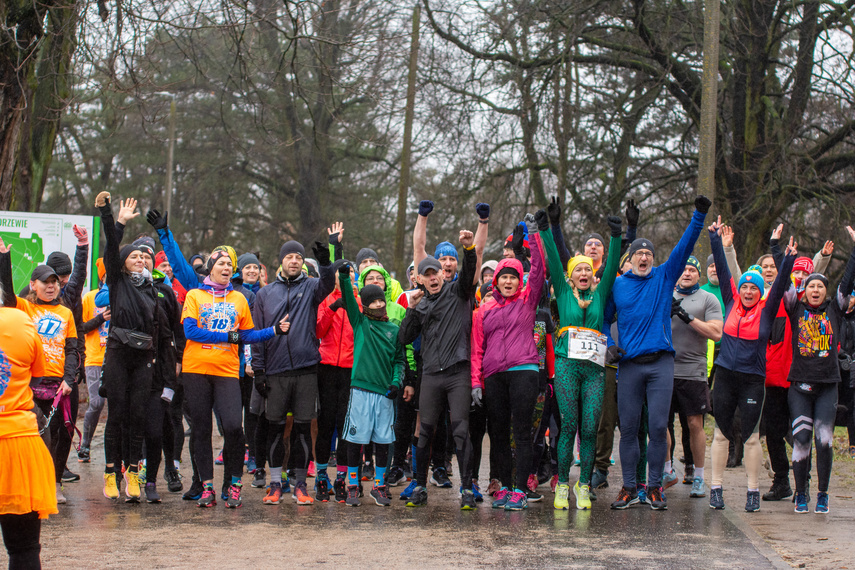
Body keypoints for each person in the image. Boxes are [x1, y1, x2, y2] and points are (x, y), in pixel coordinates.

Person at [606, 195, 711, 511]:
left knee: (656, 429)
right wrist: (607, 343)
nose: (644, 257)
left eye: (648, 254)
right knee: (628, 430)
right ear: (630, 258)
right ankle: (628, 488)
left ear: (653, 259)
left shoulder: (665, 277)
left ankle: (653, 488)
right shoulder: (618, 285)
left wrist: (699, 214)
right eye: (638, 253)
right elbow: (601, 318)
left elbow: (685, 245)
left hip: (662, 364)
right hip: (629, 366)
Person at [400, 200, 489, 509]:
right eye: (427, 273)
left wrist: (470, 242)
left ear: (442, 273)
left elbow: (472, 264)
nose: (433, 275)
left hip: (458, 373)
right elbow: (404, 338)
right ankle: (419, 486)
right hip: (430, 375)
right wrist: (411, 311)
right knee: (424, 431)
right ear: (420, 279)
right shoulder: (421, 304)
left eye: (436, 270)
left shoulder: (459, 292)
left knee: (461, 430)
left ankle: (466, 488)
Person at [181, 247, 287, 507]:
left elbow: (247, 334)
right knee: (202, 430)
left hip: (227, 371)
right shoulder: (195, 295)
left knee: (232, 427)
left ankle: (234, 482)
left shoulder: (239, 299)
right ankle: (207, 486)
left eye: (230, 264)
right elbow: (191, 332)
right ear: (211, 267)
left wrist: (273, 331)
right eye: (222, 263)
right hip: (195, 370)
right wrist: (229, 337)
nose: (227, 267)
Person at [707, 217, 796, 512]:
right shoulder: (730, 301)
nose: (747, 291)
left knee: (752, 437)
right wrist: (716, 240)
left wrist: (787, 257)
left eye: (753, 288)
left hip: (752, 380)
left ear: (760, 292)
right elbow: (722, 269)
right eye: (744, 286)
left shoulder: (767, 310)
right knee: (721, 433)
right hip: (726, 378)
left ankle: (753, 491)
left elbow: (782, 281)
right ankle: (716, 488)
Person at [540, 211, 622, 510]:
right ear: (571, 275)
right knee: (569, 425)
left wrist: (615, 235)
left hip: (594, 371)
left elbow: (612, 265)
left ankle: (584, 484)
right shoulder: (562, 292)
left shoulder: (601, 294)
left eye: (588, 270)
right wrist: (546, 229)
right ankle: (563, 483)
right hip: (566, 366)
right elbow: (552, 257)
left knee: (589, 428)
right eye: (579, 270)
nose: (584, 274)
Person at [251, 239, 336, 506]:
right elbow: (256, 334)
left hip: (305, 369)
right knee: (275, 430)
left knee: (302, 430)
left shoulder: (311, 287)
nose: (295, 261)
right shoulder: (265, 294)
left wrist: (325, 263)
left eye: (299, 257)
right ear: (281, 261)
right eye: (289, 256)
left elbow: (328, 285)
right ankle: (276, 483)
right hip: (275, 372)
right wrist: (259, 370)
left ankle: (301, 484)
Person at [471, 213, 546, 511]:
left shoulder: (527, 302)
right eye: (504, 276)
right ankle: (503, 486)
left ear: (519, 281)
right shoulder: (484, 311)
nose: (508, 281)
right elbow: (477, 349)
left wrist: (535, 235)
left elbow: (538, 270)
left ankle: (519, 490)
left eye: (513, 277)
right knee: (498, 433)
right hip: (493, 376)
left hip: (523, 371)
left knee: (522, 430)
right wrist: (476, 383)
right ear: (496, 281)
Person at [94, 192, 162, 503]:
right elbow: (110, 247)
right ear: (123, 264)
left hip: (143, 357)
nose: (139, 259)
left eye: (143, 257)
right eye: (133, 256)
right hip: (118, 353)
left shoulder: (153, 289)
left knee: (138, 415)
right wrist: (114, 217)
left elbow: (159, 330)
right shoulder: (117, 283)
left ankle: (133, 471)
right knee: (117, 415)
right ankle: (111, 471)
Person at [783, 226, 855, 513]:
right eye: (810, 285)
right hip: (799, 385)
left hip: (827, 386)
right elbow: (783, 288)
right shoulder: (795, 308)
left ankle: (823, 493)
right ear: (805, 291)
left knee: (824, 442)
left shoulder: (835, 310)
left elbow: (847, 283)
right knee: (801, 440)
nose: (814, 289)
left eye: (820, 286)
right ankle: (802, 493)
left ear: (826, 292)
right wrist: (783, 254)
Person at [1, 244, 79, 506]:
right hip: (29, 384)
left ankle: (53, 484)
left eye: (55, 282)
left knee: (56, 437)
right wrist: (4, 258)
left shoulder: (65, 312)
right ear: (33, 284)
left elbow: (72, 349)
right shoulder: (24, 307)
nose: (51, 287)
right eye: (45, 282)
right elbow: (8, 295)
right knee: (33, 435)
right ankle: (27, 485)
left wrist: (69, 379)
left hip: (58, 385)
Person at [338, 267, 404, 507]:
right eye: (372, 301)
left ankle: (379, 486)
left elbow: (399, 360)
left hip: (385, 394)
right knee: (356, 440)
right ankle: (353, 485)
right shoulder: (360, 323)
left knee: (384, 441)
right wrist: (345, 276)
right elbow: (347, 296)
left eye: (380, 300)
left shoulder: (394, 330)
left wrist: (396, 382)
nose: (377, 304)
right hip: (360, 392)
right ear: (365, 306)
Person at [0, 302, 58, 569]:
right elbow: (37, 376)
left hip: (18, 441)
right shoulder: (19, 320)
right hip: (19, 444)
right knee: (23, 550)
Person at [666, 256, 723, 498]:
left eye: (692, 270)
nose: (687, 273)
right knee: (660, 425)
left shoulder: (707, 298)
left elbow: (716, 333)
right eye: (683, 269)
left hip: (693, 370)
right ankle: (667, 471)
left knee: (694, 424)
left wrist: (688, 318)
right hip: (665, 369)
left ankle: (699, 476)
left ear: (698, 274)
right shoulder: (665, 294)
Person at [77, 260, 110, 464]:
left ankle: (114, 455)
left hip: (117, 359)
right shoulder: (90, 298)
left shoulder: (124, 296)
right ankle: (85, 445)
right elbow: (79, 328)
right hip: (95, 358)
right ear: (102, 277)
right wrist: (101, 318)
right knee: (97, 402)